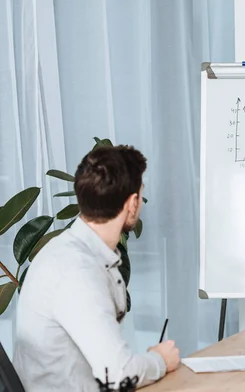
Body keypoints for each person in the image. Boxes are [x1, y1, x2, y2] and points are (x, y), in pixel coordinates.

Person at [13, 146, 180, 391]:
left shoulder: (67, 250)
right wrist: (161, 361)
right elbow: (118, 374)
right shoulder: (78, 272)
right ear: (132, 203)